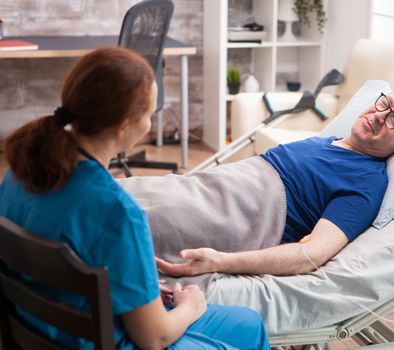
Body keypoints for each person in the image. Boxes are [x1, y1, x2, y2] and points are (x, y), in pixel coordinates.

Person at [0, 47, 270, 350]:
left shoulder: (18, 172)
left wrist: (133, 269)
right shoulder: (118, 211)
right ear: (123, 125)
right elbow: (155, 337)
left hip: (39, 326)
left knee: (249, 325)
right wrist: (191, 305)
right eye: (150, 114)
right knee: (232, 330)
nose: (150, 122)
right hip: (106, 341)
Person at [154, 88, 394, 278]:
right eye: (384, 103)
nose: (379, 116)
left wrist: (221, 262)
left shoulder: (366, 183)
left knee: (129, 221)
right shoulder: (326, 142)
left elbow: (311, 254)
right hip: (206, 186)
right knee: (127, 194)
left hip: (237, 215)